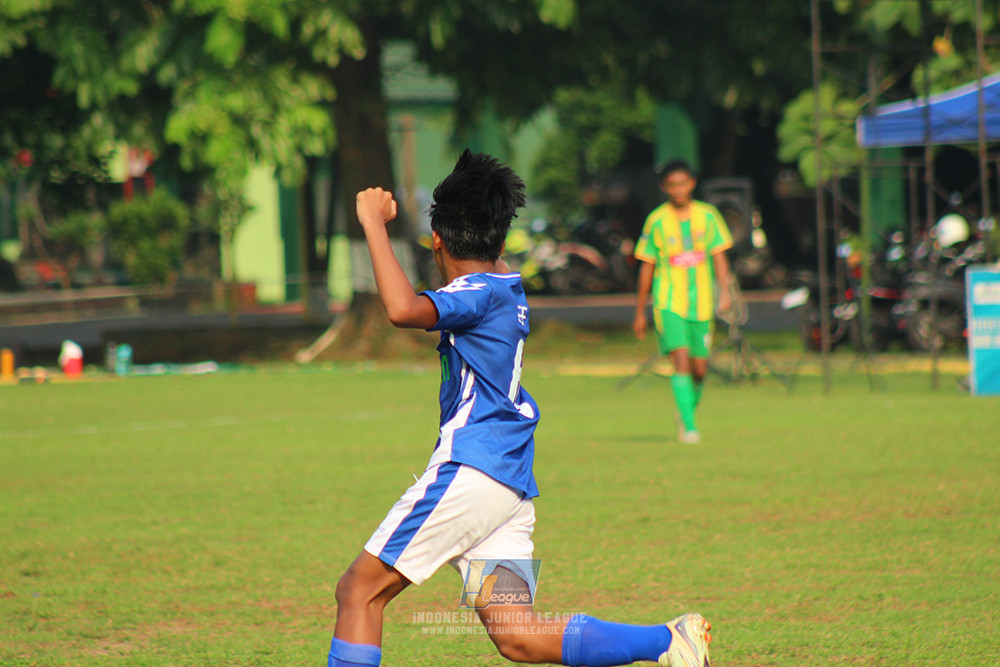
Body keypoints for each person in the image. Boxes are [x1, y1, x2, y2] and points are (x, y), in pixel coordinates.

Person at [330, 149, 712, 667]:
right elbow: (482, 258)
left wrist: (373, 224)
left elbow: (401, 309)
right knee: (520, 638)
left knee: (359, 591)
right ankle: (668, 642)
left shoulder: (474, 293)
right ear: (502, 241)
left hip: (472, 471)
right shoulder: (507, 284)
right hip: (507, 486)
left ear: (437, 240)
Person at [632, 160, 733, 445]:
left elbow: (720, 257)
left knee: (699, 369)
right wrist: (640, 311)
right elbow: (647, 266)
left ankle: (685, 411)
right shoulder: (657, 220)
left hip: (701, 304)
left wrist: (724, 293)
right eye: (672, 185)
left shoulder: (709, 216)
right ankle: (690, 427)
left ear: (692, 184)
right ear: (665, 188)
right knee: (680, 360)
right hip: (668, 302)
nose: (678, 190)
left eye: (683, 184)